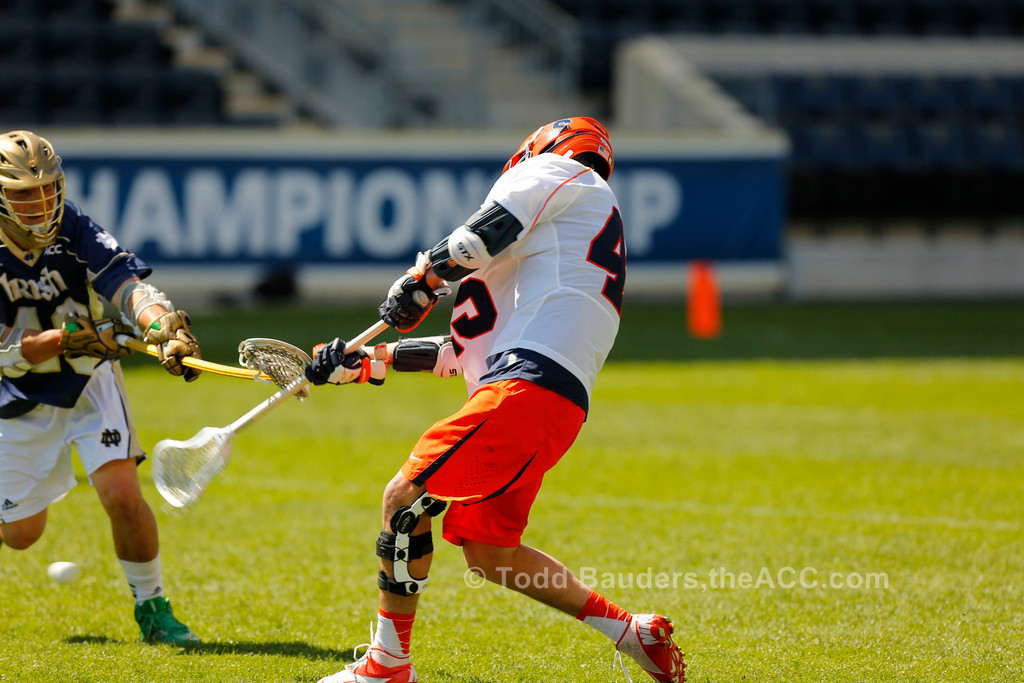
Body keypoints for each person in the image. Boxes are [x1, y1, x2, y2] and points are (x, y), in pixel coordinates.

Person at [305, 117, 685, 683]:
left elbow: (479, 235)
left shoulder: (557, 173)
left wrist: (421, 279)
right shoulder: (559, 240)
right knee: (491, 556)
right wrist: (368, 363)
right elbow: (461, 349)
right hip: (549, 396)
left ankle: (387, 665)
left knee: (404, 498)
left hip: (527, 386)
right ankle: (632, 633)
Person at [0, 130, 203, 645]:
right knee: (21, 536)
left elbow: (125, 283)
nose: (40, 202)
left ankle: (152, 607)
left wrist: (160, 326)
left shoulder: (73, 225)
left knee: (121, 493)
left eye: (47, 187)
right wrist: (62, 339)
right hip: (17, 394)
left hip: (91, 383)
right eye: (24, 193)